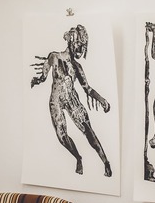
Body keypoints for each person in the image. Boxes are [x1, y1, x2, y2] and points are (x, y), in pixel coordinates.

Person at [30, 24, 112, 177]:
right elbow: (43, 75)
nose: (80, 50)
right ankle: (78, 158)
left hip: (72, 99)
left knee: (89, 132)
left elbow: (87, 88)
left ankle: (106, 162)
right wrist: (37, 80)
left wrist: (102, 100)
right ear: (72, 41)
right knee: (62, 136)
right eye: (79, 45)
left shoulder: (77, 67)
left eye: (83, 47)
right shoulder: (54, 57)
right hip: (56, 100)